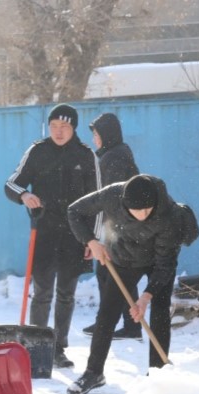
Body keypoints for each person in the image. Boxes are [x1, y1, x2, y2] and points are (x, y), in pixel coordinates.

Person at [64, 174, 185, 394]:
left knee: (159, 311)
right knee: (107, 314)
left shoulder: (170, 214)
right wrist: (91, 241)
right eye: (136, 211)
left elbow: (166, 264)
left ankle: (158, 372)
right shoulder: (112, 194)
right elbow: (74, 210)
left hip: (159, 260)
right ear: (124, 203)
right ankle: (93, 372)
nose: (142, 216)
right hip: (124, 258)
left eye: (147, 211)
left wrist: (146, 296)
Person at [4, 103, 97, 368]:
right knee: (43, 291)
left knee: (67, 293)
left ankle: (58, 348)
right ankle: (36, 346)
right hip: (43, 232)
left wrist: (92, 238)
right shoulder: (38, 151)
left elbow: (97, 200)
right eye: (54, 126)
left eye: (64, 126)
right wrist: (24, 195)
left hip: (75, 235)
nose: (58, 131)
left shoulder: (85, 155)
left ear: (74, 128)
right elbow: (11, 184)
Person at [84, 112, 143, 341]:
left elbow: (110, 199)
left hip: (120, 228)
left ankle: (120, 325)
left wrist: (100, 233)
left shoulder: (114, 158)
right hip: (122, 226)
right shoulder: (116, 153)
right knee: (112, 275)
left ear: (106, 135)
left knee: (112, 275)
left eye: (96, 135)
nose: (94, 140)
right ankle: (121, 324)